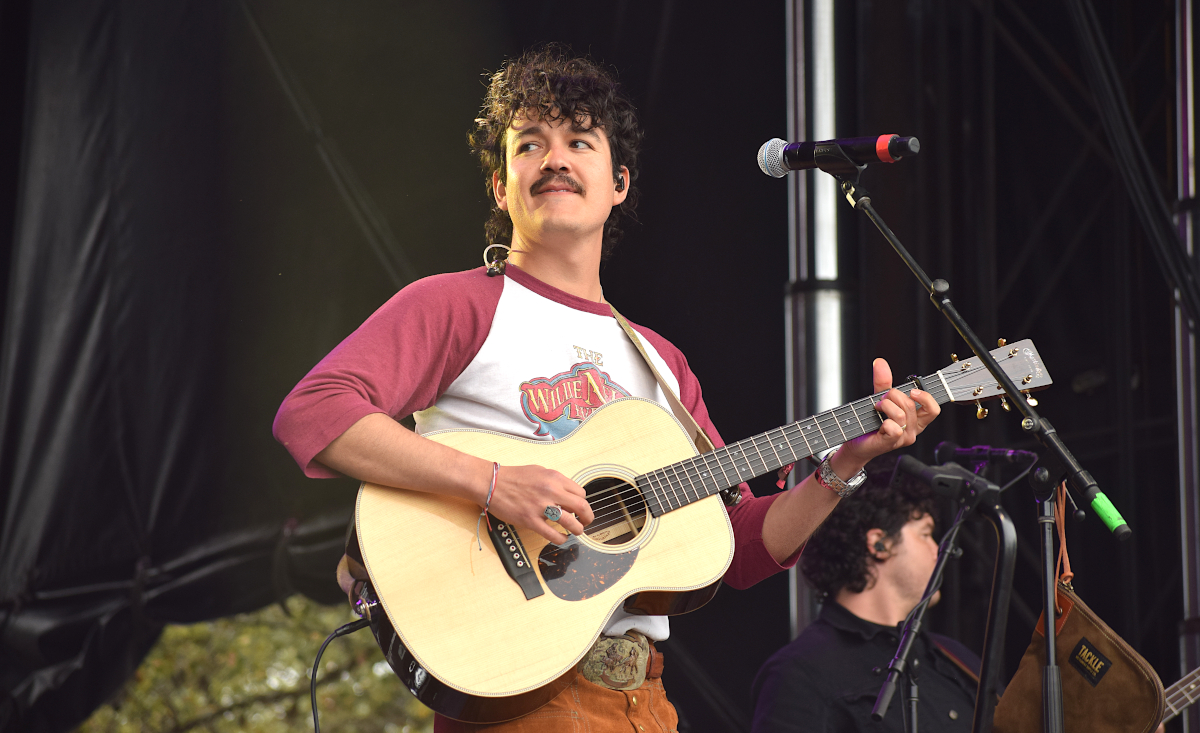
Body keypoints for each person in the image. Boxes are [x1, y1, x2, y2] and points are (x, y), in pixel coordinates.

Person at [273, 45, 941, 733]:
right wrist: (495, 483)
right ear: (501, 186)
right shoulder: (458, 305)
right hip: (517, 694)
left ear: (619, 182)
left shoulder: (662, 362)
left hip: (641, 701)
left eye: (579, 141)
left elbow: (736, 546)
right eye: (529, 144)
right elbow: (313, 413)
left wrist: (844, 464)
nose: (554, 159)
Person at [750, 460, 979, 732]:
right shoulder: (800, 673)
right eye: (925, 534)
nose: (939, 550)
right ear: (879, 544)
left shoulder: (955, 658)